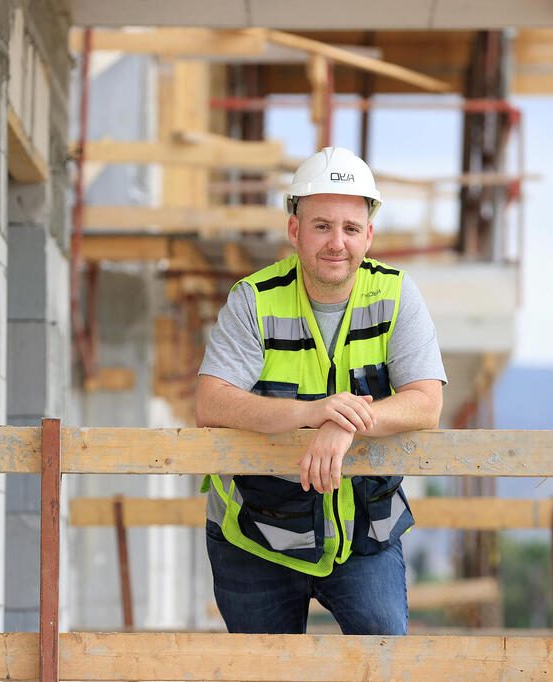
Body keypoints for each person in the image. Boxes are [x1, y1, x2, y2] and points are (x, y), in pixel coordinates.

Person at [194, 146, 446, 635]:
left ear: (368, 235)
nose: (337, 243)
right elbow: (212, 402)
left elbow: (426, 403)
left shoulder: (396, 295)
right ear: (294, 230)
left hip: (363, 535)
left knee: (383, 665)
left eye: (351, 229)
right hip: (256, 534)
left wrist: (342, 425)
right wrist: (313, 413)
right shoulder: (254, 300)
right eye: (321, 226)